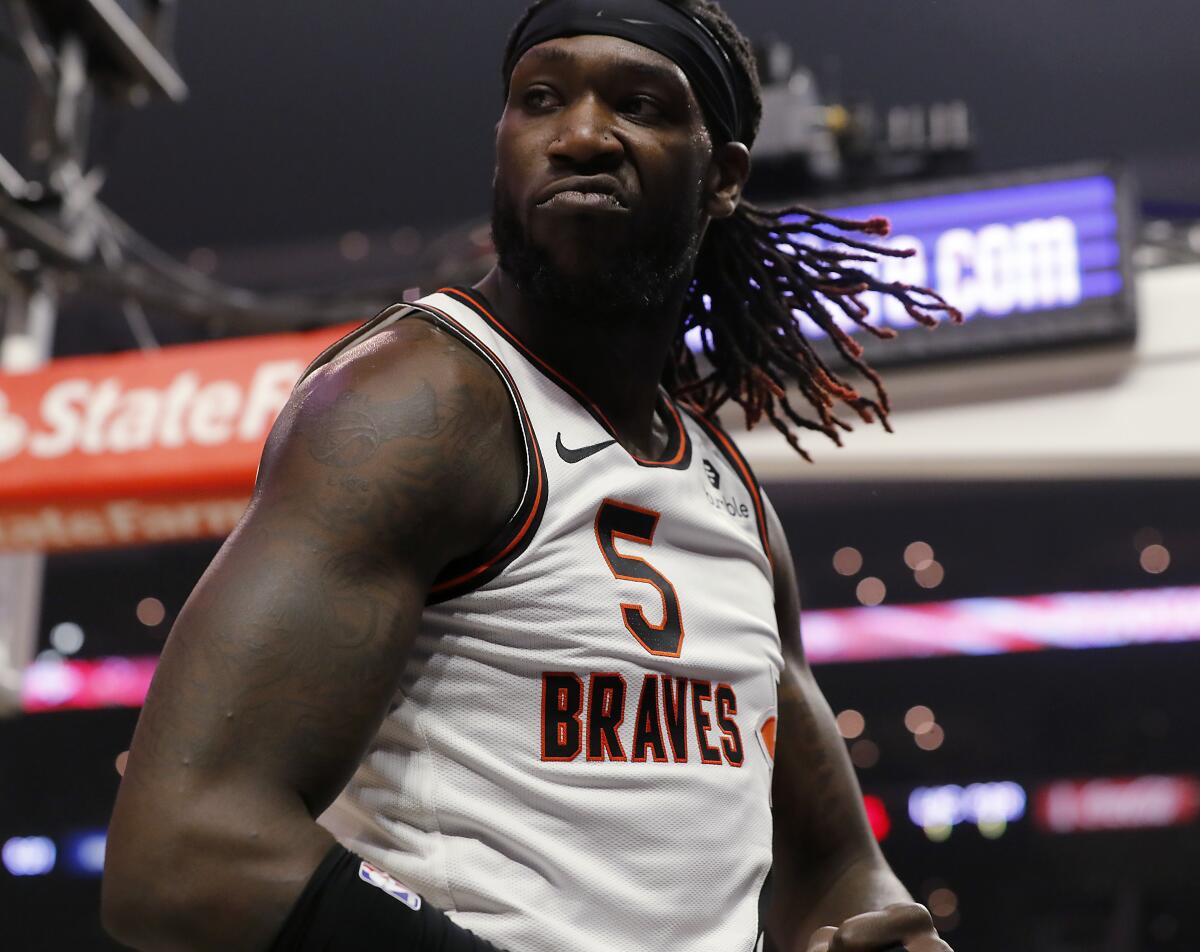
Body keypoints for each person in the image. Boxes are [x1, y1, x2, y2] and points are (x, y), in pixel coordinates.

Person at [102, 1, 960, 951]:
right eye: (541, 99)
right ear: (502, 141)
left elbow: (835, 863)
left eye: (639, 104)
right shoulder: (416, 404)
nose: (582, 134)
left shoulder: (732, 499)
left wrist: (886, 932)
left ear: (722, 177)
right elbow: (181, 856)